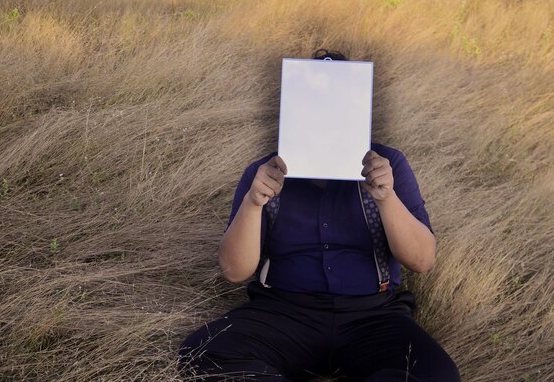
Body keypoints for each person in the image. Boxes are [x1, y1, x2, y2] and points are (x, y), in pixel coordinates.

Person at [178, 49, 460, 381]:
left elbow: (423, 260)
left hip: (373, 315)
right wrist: (254, 202)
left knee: (435, 374)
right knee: (202, 353)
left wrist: (386, 198)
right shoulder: (264, 172)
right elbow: (235, 271)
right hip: (282, 312)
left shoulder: (388, 165)